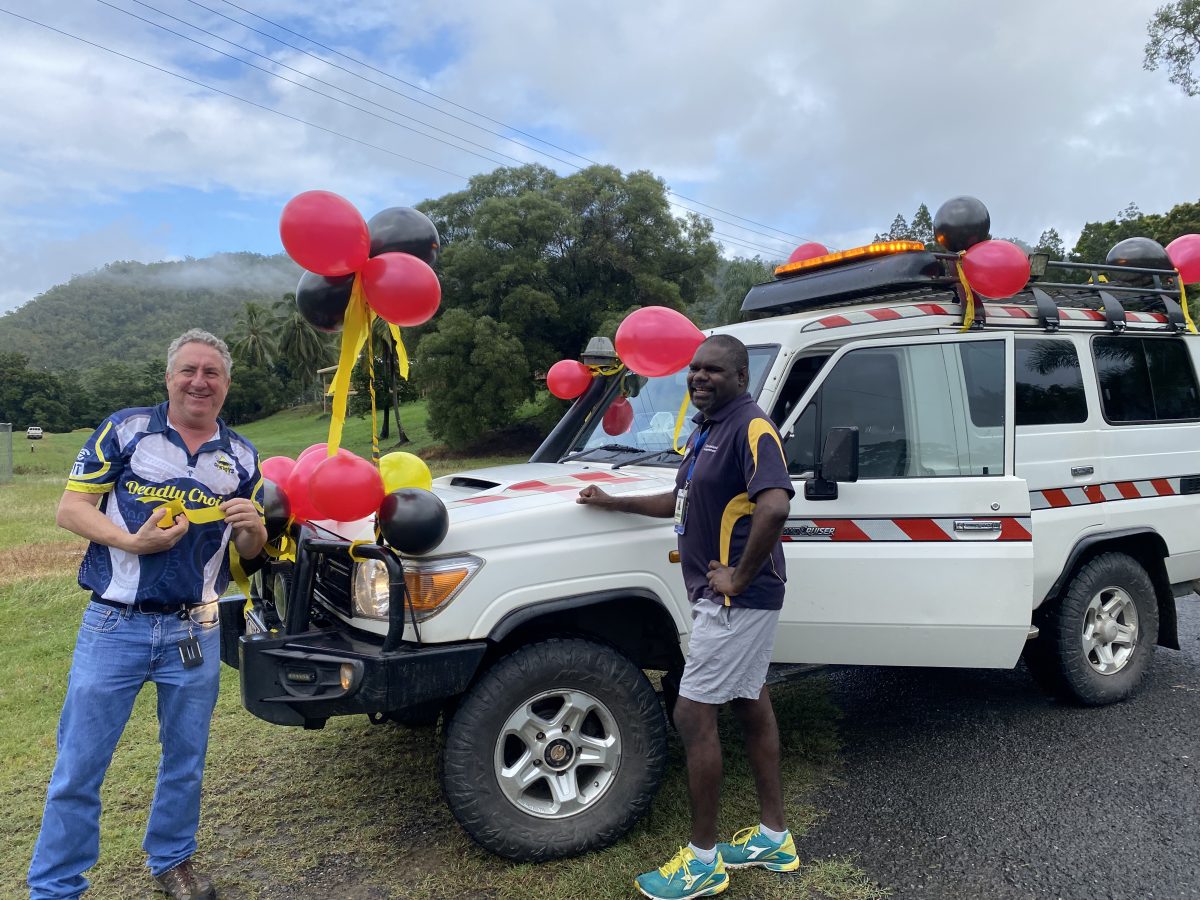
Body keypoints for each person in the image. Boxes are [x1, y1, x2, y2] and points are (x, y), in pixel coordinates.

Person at [28, 330, 267, 900]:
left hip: (196, 626)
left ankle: (173, 860)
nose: (199, 381)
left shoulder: (241, 457)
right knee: (81, 763)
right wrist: (129, 543)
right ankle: (57, 887)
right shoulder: (127, 430)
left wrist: (255, 531)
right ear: (168, 377)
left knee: (185, 758)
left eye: (212, 373)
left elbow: (248, 555)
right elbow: (71, 508)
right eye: (188, 370)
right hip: (115, 624)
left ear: (226, 386)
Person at [578, 334, 796, 900]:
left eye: (713, 371)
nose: (699, 378)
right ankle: (774, 837)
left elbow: (775, 504)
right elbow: (677, 501)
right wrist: (612, 502)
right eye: (695, 370)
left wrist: (739, 577)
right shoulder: (705, 431)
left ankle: (702, 862)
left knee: (693, 716)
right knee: (751, 703)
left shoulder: (752, 428)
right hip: (720, 598)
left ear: (741, 378)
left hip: (736, 602)